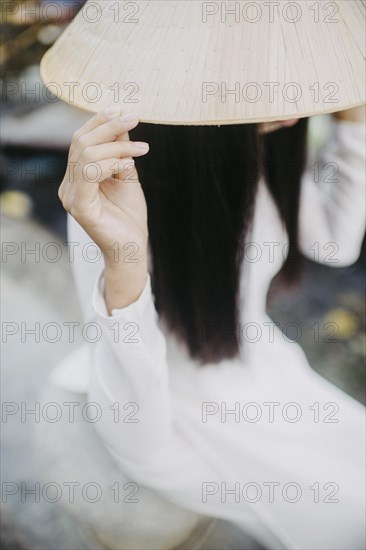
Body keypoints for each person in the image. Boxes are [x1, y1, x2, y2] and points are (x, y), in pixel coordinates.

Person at [42, 2, 366, 548]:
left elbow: (334, 243)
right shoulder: (119, 198)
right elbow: (139, 439)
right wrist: (124, 263)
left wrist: (352, 113)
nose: (291, 93)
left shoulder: (256, 147)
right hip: (170, 404)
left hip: (255, 360)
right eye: (263, 74)